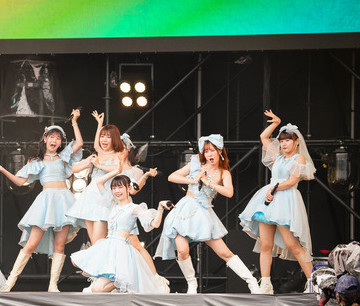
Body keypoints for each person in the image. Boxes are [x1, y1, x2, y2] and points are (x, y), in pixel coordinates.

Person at [0, 109, 83, 292]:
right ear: (45, 139)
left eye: (58, 138)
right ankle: (10, 282)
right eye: (51, 136)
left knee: (60, 245)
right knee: (31, 244)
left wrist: (74, 121)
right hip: (46, 202)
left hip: (63, 200)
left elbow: (79, 143)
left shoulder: (63, 157)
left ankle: (53, 285)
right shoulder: (37, 161)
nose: (54, 140)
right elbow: (20, 181)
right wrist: (2, 170)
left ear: (61, 142)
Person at [155, 134, 259, 294]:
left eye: (212, 150)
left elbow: (229, 192)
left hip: (203, 213)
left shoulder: (223, 173)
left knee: (224, 252)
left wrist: (208, 182)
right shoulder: (196, 164)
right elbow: (172, 177)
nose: (209, 154)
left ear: (219, 151)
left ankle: (251, 281)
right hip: (185, 209)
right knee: (182, 250)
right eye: (206, 151)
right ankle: (192, 284)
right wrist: (193, 180)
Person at [239, 110, 316, 294]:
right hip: (269, 202)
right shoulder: (278, 157)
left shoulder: (299, 158)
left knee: (293, 245)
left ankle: (313, 282)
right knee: (266, 245)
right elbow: (263, 137)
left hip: (285, 201)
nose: (284, 143)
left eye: (288, 140)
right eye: (281, 141)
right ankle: (266, 284)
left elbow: (291, 181)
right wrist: (275, 123)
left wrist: (273, 188)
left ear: (296, 141)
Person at [70, 157, 171, 293]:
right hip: (108, 245)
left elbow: (155, 224)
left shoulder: (134, 208)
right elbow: (99, 182)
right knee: (76, 261)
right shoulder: (112, 204)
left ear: (128, 188)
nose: (117, 191)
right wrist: (116, 171)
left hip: (121, 249)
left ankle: (124, 280)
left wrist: (160, 208)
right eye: (114, 188)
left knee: (97, 290)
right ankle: (118, 280)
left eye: (120, 187)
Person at [120, 132, 169, 290]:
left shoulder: (135, 170)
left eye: (121, 148)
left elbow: (133, 190)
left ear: (128, 149)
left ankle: (155, 279)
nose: (118, 151)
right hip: (109, 209)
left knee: (135, 245)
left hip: (125, 209)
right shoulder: (109, 165)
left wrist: (146, 175)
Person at [66, 111, 124, 245]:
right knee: (93, 243)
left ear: (114, 139)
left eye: (108, 137)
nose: (104, 140)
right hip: (89, 197)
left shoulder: (117, 155)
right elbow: (96, 144)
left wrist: (99, 165)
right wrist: (99, 124)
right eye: (102, 136)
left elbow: (117, 169)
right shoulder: (100, 152)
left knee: (99, 242)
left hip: (104, 198)